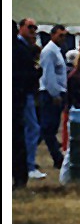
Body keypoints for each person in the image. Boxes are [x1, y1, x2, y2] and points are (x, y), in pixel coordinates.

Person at [37, 24, 69, 172]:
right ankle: (57, 156)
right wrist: (55, 94)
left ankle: (56, 156)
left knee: (50, 128)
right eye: (60, 35)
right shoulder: (49, 51)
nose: (62, 38)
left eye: (64, 36)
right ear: (52, 35)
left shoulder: (56, 51)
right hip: (51, 93)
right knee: (48, 128)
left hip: (56, 92)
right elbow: (48, 75)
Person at [15, 18, 43, 181]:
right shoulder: (20, 49)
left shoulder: (27, 47)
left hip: (26, 93)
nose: (33, 30)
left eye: (35, 28)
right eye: (30, 27)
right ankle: (29, 164)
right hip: (23, 94)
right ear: (21, 28)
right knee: (32, 129)